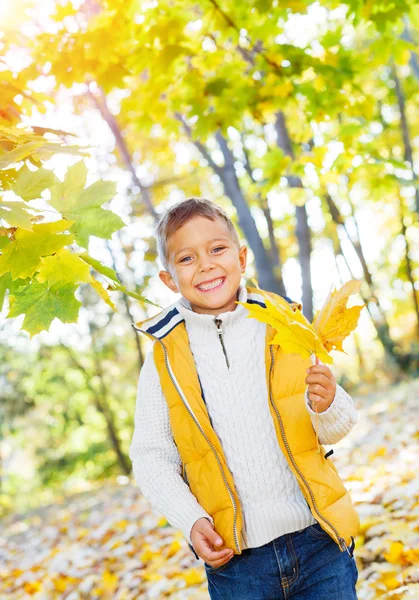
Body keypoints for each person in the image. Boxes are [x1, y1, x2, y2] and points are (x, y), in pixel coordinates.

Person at [129, 197, 360, 599]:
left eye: (217, 249)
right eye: (187, 258)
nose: (206, 265)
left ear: (241, 256)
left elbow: (335, 427)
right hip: (238, 565)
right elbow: (151, 456)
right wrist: (191, 519)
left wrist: (327, 404)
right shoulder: (165, 357)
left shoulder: (283, 324)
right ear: (169, 280)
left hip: (318, 539)